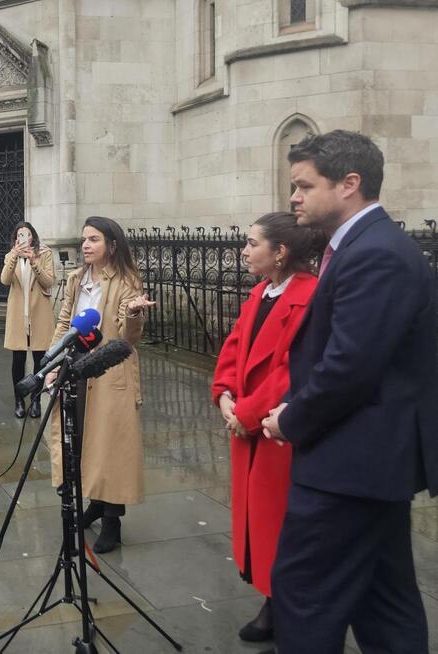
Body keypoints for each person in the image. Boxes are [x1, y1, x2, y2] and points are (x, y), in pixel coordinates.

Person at [260, 130, 438, 654]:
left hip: (351, 464)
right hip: (367, 463)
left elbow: (350, 368)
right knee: (383, 601)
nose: (293, 197)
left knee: (304, 594)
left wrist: (289, 420)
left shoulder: (376, 253)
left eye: (303, 185)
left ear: (349, 184)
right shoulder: (361, 246)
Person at [210, 212, 320, 645]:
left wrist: (248, 413)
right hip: (248, 425)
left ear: (280, 251)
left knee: (281, 521)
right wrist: (223, 393)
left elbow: (293, 368)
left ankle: (283, 603)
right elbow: (235, 347)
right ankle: (274, 596)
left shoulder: (310, 296)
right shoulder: (259, 293)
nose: (244, 250)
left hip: (276, 428)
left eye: (253, 242)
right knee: (260, 516)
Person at [44, 216, 155, 553]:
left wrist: (135, 314)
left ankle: (112, 522)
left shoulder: (126, 282)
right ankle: (94, 503)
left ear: (111, 245)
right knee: (80, 439)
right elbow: (65, 321)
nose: (86, 245)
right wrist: (51, 363)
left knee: (108, 447)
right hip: (75, 369)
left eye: (93, 239)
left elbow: (128, 338)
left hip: (110, 373)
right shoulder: (77, 279)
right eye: (84, 239)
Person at [1, 221, 56, 419]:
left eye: (27, 234)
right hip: (18, 314)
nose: (24, 237)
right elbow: (5, 280)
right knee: (18, 359)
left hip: (38, 312)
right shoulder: (11, 256)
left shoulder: (45, 254)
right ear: (16, 238)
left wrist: (34, 261)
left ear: (33, 236)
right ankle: (18, 400)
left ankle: (35, 399)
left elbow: (49, 282)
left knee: (40, 359)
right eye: (20, 234)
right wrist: (15, 255)